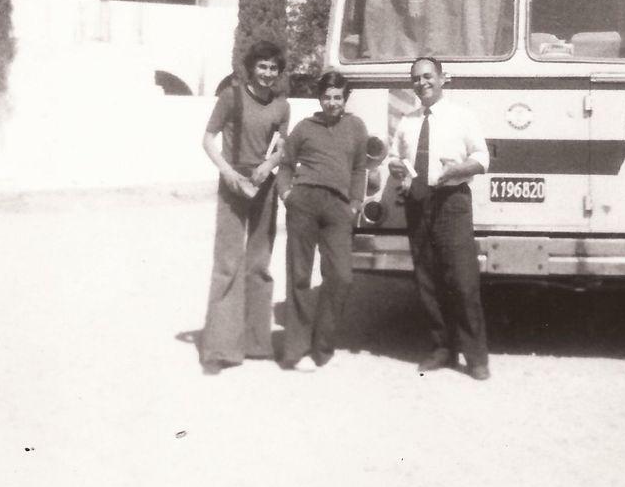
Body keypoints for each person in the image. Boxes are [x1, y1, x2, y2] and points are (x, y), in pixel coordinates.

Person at [387, 56, 492, 381]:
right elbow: (394, 155)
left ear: (443, 78)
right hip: (418, 202)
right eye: (416, 78)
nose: (423, 83)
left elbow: (482, 157)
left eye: (428, 76)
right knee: (427, 279)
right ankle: (442, 348)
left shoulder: (462, 116)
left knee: (462, 281)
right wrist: (394, 166)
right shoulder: (407, 120)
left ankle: (476, 357)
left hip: (452, 202)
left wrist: (459, 170)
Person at [199, 41, 290, 375]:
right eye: (262, 66)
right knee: (227, 262)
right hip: (233, 184)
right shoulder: (231, 97)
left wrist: (270, 166)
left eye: (273, 68)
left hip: (263, 187)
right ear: (252, 67)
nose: (267, 74)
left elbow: (282, 146)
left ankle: (256, 342)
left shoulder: (282, 106)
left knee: (259, 263)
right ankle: (220, 349)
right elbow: (207, 139)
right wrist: (227, 172)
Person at [277, 71, 368, 370]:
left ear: (345, 99)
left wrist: (354, 204)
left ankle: (322, 345)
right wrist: (286, 194)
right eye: (327, 97)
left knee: (341, 275)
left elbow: (359, 169)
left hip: (338, 208)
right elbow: (286, 164)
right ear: (320, 98)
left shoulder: (356, 127)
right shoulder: (304, 127)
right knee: (299, 276)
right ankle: (296, 347)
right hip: (303, 202)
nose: (332, 103)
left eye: (337, 98)